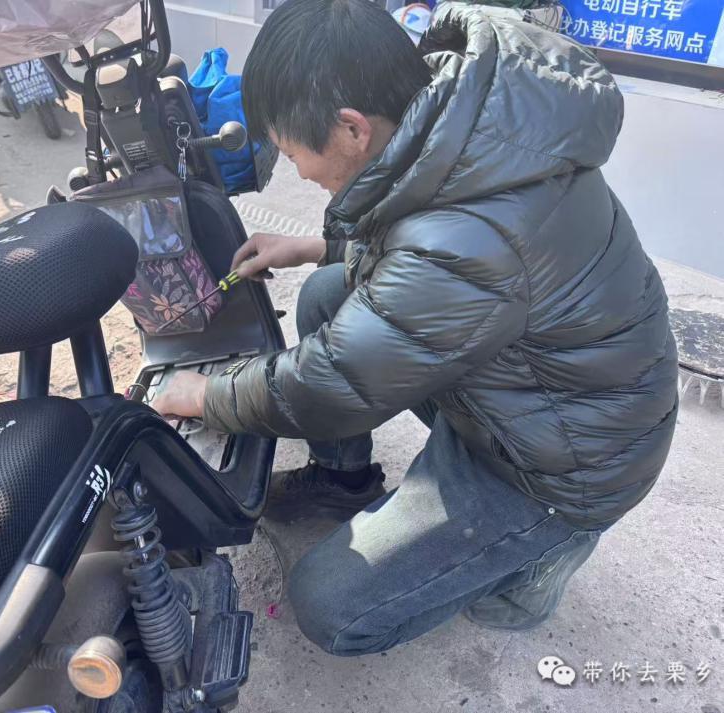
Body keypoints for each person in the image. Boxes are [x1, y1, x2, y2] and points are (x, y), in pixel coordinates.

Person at [151, 0, 678, 655]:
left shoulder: (467, 237)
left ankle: (541, 557)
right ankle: (344, 479)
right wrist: (315, 247)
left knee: (329, 606)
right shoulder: (456, 121)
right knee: (327, 293)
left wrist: (205, 394)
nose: (300, 173)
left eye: (292, 153)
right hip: (534, 393)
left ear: (351, 129)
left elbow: (328, 383)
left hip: (560, 464)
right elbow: (416, 247)